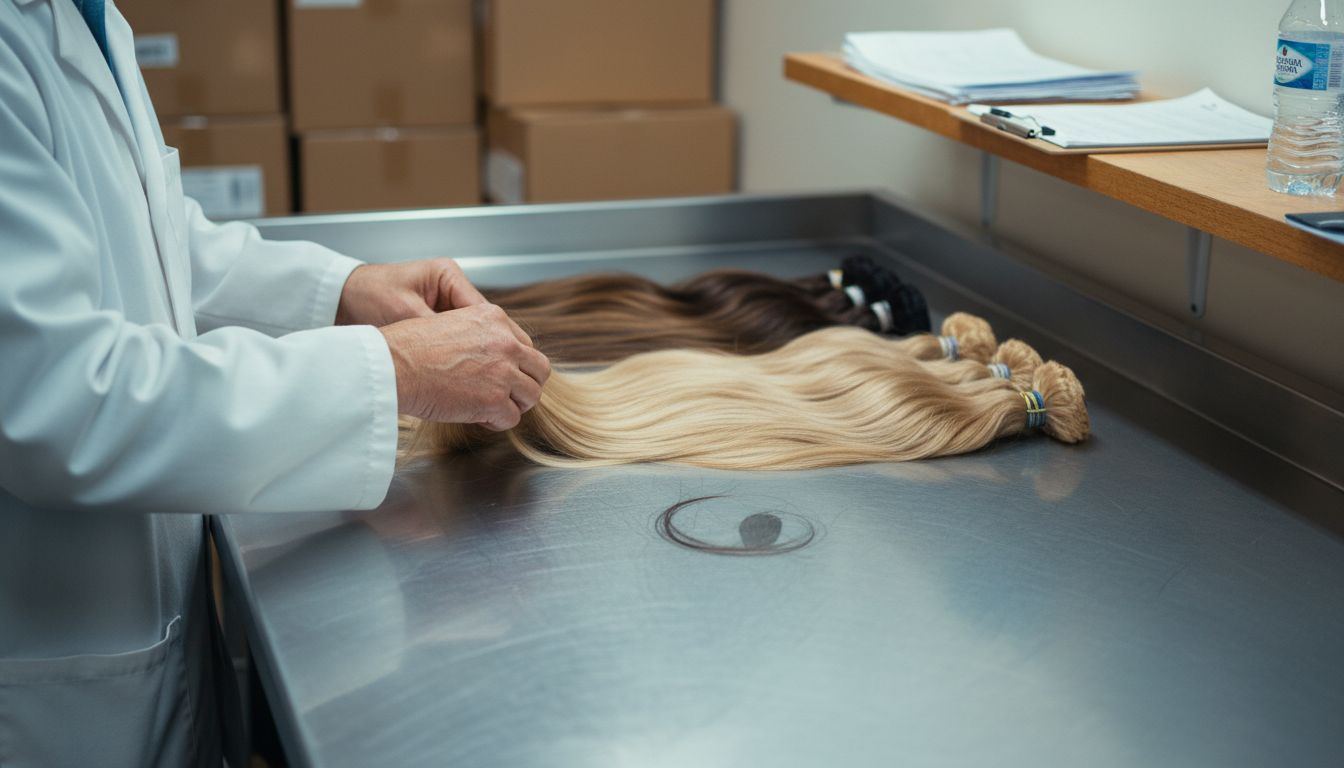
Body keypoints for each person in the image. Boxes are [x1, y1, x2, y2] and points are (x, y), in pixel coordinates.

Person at [0, 0, 550, 764]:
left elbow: (150, 236)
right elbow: (59, 400)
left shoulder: (79, 16)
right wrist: (394, 370)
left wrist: (340, 290)